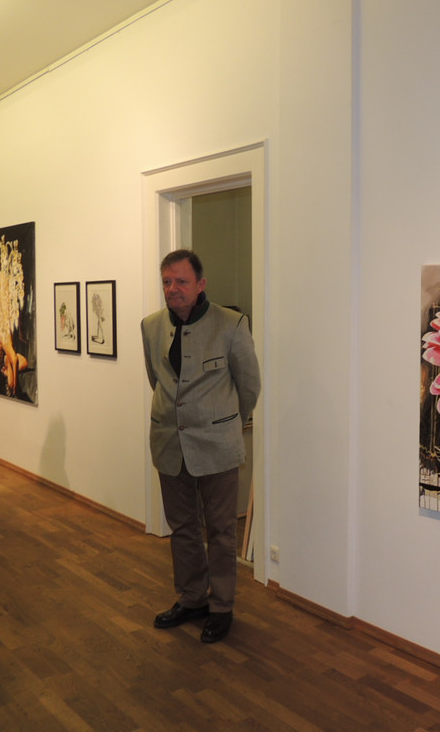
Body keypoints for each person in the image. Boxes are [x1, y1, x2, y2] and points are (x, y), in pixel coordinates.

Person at [141, 249, 260, 643]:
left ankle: (221, 606)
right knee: (183, 527)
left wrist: (226, 424)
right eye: (167, 282)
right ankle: (192, 598)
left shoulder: (231, 324)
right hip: (169, 444)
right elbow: (158, 381)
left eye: (182, 281)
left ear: (201, 284)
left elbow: (249, 386)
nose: (173, 289)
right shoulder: (151, 326)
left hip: (218, 446)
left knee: (221, 531)